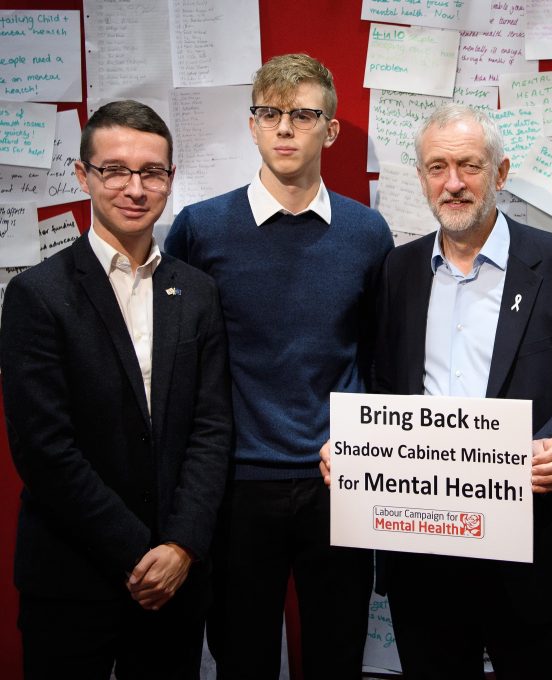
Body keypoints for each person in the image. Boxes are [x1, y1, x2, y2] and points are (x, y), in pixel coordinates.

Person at [341, 102, 552, 679]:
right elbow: (384, 388)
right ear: (420, 178)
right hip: (424, 550)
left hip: (537, 550)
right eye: (436, 167)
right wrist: (353, 447)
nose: (452, 183)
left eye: (469, 165)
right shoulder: (396, 273)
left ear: (500, 173)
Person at [165, 54, 393, 679]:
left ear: (332, 129)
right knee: (243, 658)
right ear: (252, 125)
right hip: (236, 484)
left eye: (302, 114)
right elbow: (176, 360)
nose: (285, 128)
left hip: (338, 482)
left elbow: (379, 353)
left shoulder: (367, 231)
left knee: (337, 657)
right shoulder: (200, 227)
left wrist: (364, 444)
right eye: (270, 113)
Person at [0, 100, 232, 679]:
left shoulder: (197, 291)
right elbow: (44, 451)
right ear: (84, 176)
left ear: (170, 180)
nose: (135, 187)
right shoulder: (36, 295)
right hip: (72, 577)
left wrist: (180, 547)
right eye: (115, 170)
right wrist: (138, 552)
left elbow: (212, 427)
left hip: (175, 580)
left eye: (152, 171)